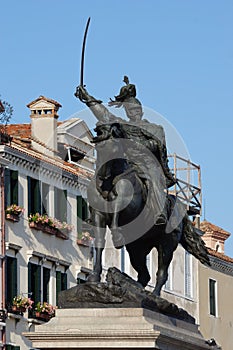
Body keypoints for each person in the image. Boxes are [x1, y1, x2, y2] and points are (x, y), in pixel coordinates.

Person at [75, 78, 176, 245]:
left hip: (147, 164)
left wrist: (140, 144)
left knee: (153, 179)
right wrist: (87, 97)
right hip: (128, 164)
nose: (133, 112)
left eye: (136, 109)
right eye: (130, 110)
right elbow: (104, 114)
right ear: (127, 112)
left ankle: (159, 213)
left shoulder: (155, 128)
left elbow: (159, 147)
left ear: (141, 110)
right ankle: (95, 216)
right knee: (101, 178)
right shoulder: (123, 126)